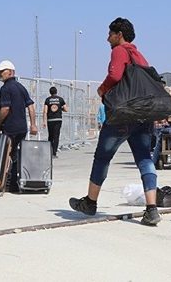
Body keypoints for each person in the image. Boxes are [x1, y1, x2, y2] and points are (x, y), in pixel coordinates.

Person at [69, 17, 161, 226]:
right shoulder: (140, 55)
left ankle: (90, 203)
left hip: (123, 115)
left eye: (110, 34)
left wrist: (102, 89)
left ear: (119, 35)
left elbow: (115, 75)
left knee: (102, 157)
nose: (107, 38)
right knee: (144, 159)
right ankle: (151, 209)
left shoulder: (119, 50)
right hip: (143, 116)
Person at [0, 60, 38, 193]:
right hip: (22, 128)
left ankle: (5, 183)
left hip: (10, 128)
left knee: (6, 155)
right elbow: (31, 106)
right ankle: (14, 184)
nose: (0, 74)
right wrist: (33, 125)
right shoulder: (21, 87)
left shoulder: (5, 88)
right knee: (16, 155)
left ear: (11, 72)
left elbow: (5, 109)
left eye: (2, 71)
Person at [43, 86, 68, 158]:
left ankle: (49, 152)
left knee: (50, 136)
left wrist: (44, 121)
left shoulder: (47, 100)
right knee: (56, 136)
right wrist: (60, 108)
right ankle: (54, 153)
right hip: (58, 119)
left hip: (50, 120)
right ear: (56, 92)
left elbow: (45, 111)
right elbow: (66, 109)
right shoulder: (60, 99)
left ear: (50, 92)